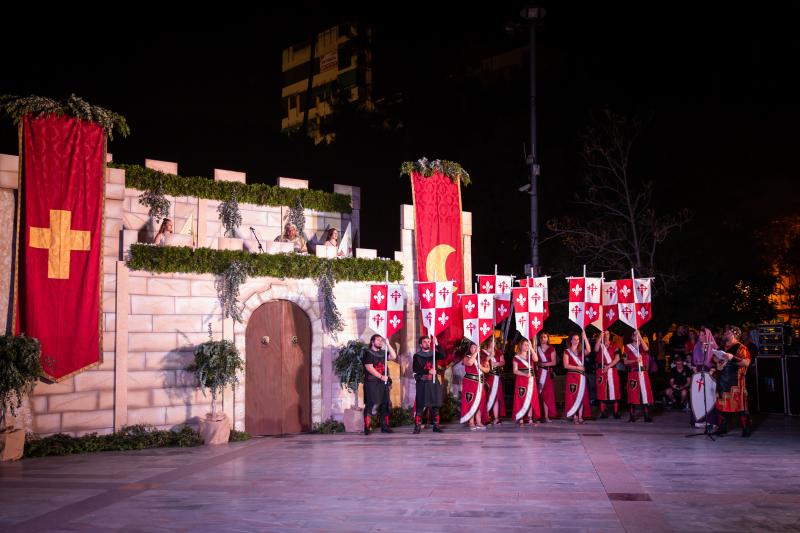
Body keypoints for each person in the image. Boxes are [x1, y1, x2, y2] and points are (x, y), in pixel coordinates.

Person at [713, 325, 752, 437]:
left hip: (735, 383)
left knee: (740, 406)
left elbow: (746, 362)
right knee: (721, 407)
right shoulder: (721, 347)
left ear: (735, 334)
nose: (725, 334)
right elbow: (713, 359)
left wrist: (732, 358)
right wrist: (716, 358)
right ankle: (722, 428)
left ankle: (746, 429)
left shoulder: (741, 348)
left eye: (728, 332)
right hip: (721, 381)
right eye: (725, 332)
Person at [362, 334, 397, 435]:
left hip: (383, 383)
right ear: (372, 342)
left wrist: (388, 344)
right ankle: (367, 427)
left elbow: (394, 356)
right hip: (371, 382)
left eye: (381, 340)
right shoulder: (368, 353)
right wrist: (381, 377)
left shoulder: (383, 353)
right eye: (378, 340)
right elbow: (369, 367)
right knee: (370, 404)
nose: (380, 342)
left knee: (385, 404)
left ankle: (385, 426)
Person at [412, 336, 445, 434]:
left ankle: (436, 426)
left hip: (433, 382)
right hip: (423, 383)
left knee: (435, 404)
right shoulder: (417, 356)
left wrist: (437, 343)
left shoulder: (433, 354)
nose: (427, 343)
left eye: (428, 341)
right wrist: (428, 371)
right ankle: (417, 427)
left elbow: (443, 355)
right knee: (420, 404)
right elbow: (415, 369)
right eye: (425, 342)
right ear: (421, 344)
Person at [624, 329, 654, 422]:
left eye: (637, 334)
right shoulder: (627, 347)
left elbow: (647, 349)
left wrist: (640, 336)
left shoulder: (643, 345)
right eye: (634, 335)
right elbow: (625, 361)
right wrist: (635, 361)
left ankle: (647, 415)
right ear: (631, 336)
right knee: (632, 393)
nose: (636, 336)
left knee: (645, 393)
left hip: (643, 372)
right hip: (633, 372)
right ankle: (632, 416)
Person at [563, 332, 591, 424]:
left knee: (581, 395)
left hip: (581, 377)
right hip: (572, 376)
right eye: (574, 339)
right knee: (573, 396)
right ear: (571, 341)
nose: (576, 341)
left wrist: (585, 338)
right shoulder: (567, 351)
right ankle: (574, 416)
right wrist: (577, 367)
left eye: (578, 339)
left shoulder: (581, 351)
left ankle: (580, 416)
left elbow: (589, 350)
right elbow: (566, 365)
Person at [460, 342, 489, 430]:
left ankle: (479, 422)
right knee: (470, 402)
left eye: (476, 347)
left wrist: (482, 368)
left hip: (480, 383)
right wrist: (476, 353)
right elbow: (469, 363)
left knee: (480, 402)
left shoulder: (483, 358)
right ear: (470, 349)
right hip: (470, 383)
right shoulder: (466, 357)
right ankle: (471, 422)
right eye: (473, 347)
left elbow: (487, 369)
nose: (474, 349)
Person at [512, 338, 540, 426]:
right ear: (520, 346)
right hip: (521, 380)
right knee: (521, 398)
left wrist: (531, 348)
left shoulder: (530, 356)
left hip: (531, 380)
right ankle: (521, 418)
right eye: (525, 345)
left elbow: (536, 359)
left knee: (531, 398)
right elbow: (515, 371)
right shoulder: (516, 357)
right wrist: (524, 374)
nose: (527, 346)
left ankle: (530, 418)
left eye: (528, 345)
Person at [595, 330, 622, 419]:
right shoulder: (599, 344)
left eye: (607, 333)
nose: (606, 335)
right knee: (602, 390)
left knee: (614, 390)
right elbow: (596, 349)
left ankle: (616, 412)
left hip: (611, 369)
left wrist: (608, 366)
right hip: (601, 370)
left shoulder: (614, 345)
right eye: (604, 333)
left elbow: (617, 358)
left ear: (609, 335)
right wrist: (600, 337)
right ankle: (603, 412)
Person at [482, 336, 506, 425]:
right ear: (488, 342)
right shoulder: (482, 352)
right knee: (487, 397)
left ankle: (496, 418)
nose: (493, 343)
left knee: (496, 397)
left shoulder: (498, 352)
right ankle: (486, 417)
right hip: (487, 377)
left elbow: (503, 362)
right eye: (491, 341)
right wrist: (489, 357)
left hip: (496, 377)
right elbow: (481, 361)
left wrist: (497, 363)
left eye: (494, 341)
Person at [536, 331, 558, 422]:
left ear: (548, 338)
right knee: (538, 394)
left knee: (547, 395)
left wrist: (543, 364)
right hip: (538, 373)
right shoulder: (536, 348)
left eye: (545, 337)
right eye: (541, 337)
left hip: (547, 374)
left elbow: (554, 362)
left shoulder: (551, 348)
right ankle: (537, 415)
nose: (543, 338)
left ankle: (546, 416)